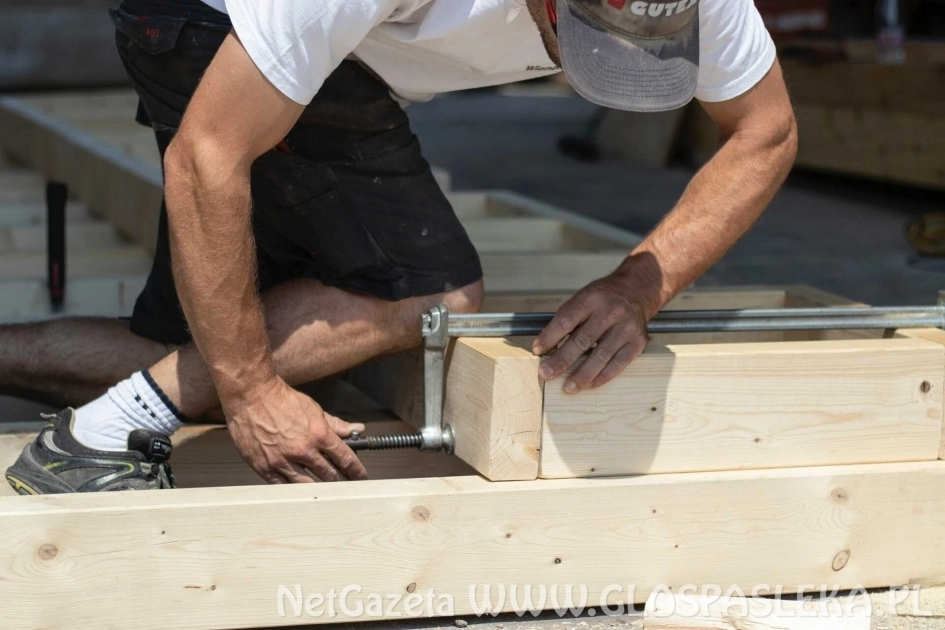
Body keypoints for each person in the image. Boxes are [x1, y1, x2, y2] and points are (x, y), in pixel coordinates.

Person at [1, 0, 797, 493]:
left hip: (331, 51)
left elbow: (765, 131)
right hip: (215, 21)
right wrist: (250, 397)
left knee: (196, 344)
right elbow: (206, 156)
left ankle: (120, 399)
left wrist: (636, 288)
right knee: (425, 294)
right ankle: (96, 439)